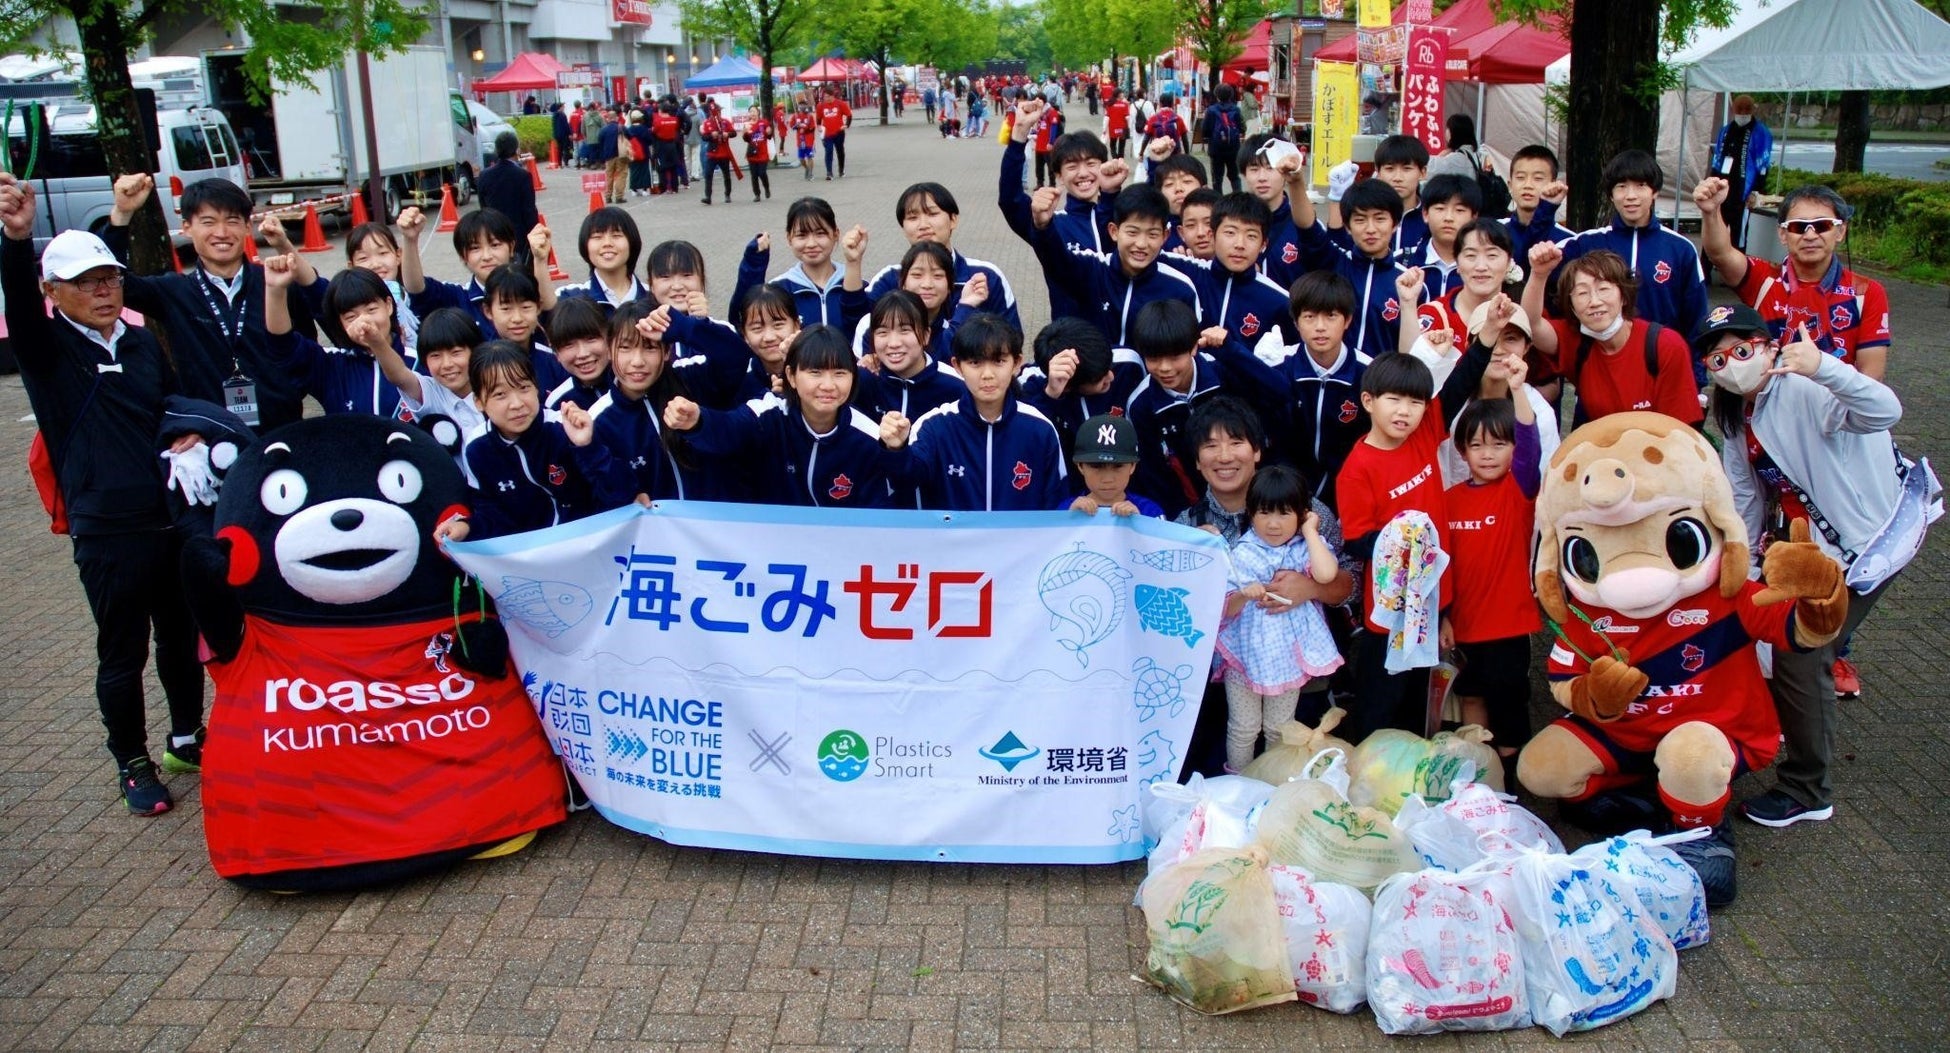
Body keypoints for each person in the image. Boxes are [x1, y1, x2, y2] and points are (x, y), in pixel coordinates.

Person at [1, 177, 207, 815]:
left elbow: (169, 405)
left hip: (166, 518)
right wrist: (12, 238)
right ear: (52, 291)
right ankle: (132, 761)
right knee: (123, 650)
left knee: (179, 636)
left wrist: (190, 435)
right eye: (85, 282)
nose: (102, 291)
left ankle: (185, 737)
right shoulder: (47, 351)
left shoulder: (143, 343)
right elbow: (15, 290)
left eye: (110, 279)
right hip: (107, 529)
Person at [1696, 304, 1913, 829]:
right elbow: (1744, 497)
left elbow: (1885, 411)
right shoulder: (1734, 415)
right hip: (1808, 549)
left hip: (1871, 540)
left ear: (1769, 347)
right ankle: (1781, 730)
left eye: (1742, 350)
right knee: (1772, 639)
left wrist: (1824, 367)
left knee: (1802, 650)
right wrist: (1742, 574)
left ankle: (1807, 788)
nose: (1731, 364)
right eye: (1718, 358)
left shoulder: (1804, 387)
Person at [1334, 301, 1501, 742]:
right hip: (1387, 613)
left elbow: (1463, 382)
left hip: (1430, 602)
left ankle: (1407, 779)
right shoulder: (1357, 468)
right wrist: (1400, 542)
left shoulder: (1425, 431)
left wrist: (1487, 337)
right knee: (1379, 705)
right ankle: (1367, 769)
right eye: (1394, 399)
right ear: (1369, 401)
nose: (1405, 411)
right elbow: (1355, 540)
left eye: (1416, 401)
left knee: (1416, 706)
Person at [102, 175, 317, 432]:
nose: (222, 232)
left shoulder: (277, 283)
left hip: (282, 427)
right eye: (208, 222)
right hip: (208, 431)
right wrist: (122, 214)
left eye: (232, 221)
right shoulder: (173, 291)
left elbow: (306, 346)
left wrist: (286, 394)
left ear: (248, 227)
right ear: (186, 227)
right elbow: (114, 281)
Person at [662, 326, 907, 509]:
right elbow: (729, 429)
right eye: (815, 373)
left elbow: (879, 512)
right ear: (791, 376)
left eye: (840, 373)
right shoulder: (770, 413)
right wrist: (697, 421)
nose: (828, 385)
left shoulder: (868, 436)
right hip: (773, 557)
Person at [1441, 359, 1543, 770]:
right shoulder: (1448, 499)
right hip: (1462, 626)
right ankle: (1480, 774)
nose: (1487, 454)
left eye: (1499, 444)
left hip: (1509, 627)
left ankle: (1512, 783)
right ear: (1462, 450)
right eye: (1477, 445)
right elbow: (1441, 566)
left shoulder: (1518, 491)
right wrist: (1444, 616)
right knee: (1470, 698)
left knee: (1509, 704)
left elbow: (1531, 447)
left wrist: (1518, 389)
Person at [1694, 179, 1889, 383]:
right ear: (1783, 234)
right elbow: (1721, 254)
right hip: (1770, 408)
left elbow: (1872, 376)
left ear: (1840, 231)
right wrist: (1711, 211)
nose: (1810, 235)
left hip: (1835, 410)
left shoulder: (1866, 292)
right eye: (1798, 227)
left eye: (1822, 225)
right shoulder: (1764, 279)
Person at [440, 342, 639, 542]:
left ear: (536, 387)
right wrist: (466, 527)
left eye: (524, 388)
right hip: (532, 560)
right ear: (479, 401)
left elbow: (620, 496)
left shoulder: (565, 427)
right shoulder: (477, 448)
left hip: (589, 546)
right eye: (500, 394)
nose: (517, 404)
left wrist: (587, 446)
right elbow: (492, 516)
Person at [1217, 464, 1345, 771]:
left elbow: (1327, 575)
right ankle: (1239, 784)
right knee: (1243, 728)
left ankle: (1270, 785)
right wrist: (1243, 595)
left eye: (1285, 513)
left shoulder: (1304, 549)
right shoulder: (1242, 553)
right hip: (1244, 655)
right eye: (1264, 513)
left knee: (1280, 727)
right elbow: (1222, 610)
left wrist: (1310, 532)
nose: (1273, 524)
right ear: (1250, 513)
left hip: (1286, 655)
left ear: (1301, 514)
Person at [890, 314, 1068, 511]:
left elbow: (1056, 499)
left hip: (1020, 542)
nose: (988, 374)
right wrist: (897, 450)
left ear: (1016, 364)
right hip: (951, 542)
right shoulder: (934, 426)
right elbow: (906, 482)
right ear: (957, 366)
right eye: (975, 363)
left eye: (999, 361)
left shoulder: (1040, 429)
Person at [1526, 246, 1702, 427]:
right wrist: (1539, 275)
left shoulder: (1665, 346)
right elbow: (1531, 324)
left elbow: (1680, 431)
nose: (1594, 302)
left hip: (1658, 449)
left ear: (1624, 295)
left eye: (1603, 288)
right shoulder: (1577, 342)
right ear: (1571, 306)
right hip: (1603, 448)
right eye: (1582, 293)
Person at [1555, 150, 1708, 344]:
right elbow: (1536, 271)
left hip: (1661, 359)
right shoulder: (1586, 243)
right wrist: (1546, 209)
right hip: (1601, 358)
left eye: (1641, 186)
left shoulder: (1680, 248)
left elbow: (1697, 319)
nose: (1630, 196)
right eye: (1621, 186)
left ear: (1655, 191)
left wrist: (1695, 372)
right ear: (1611, 195)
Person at [1028, 183, 1203, 348]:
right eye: (1132, 232)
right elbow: (1057, 261)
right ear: (1114, 231)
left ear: (1165, 236)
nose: (1141, 243)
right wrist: (1043, 226)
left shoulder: (1181, 288)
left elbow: (1190, 350)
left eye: (1152, 234)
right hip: (1094, 377)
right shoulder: (1092, 269)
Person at [1257, 272, 1371, 507]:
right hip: (1286, 489)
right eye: (1309, 317)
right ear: (1296, 322)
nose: (1320, 327)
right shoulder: (1278, 366)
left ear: (1347, 320)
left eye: (1331, 316)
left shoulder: (1369, 373)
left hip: (1348, 489)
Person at [263, 259, 416, 419]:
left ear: (388, 305)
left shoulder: (421, 360)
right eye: (351, 316)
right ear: (339, 323)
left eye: (371, 310)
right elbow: (283, 345)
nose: (364, 321)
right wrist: (275, 291)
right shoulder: (331, 365)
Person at [867, 182, 1019, 329]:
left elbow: (1012, 337)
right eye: (913, 218)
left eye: (932, 214)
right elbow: (858, 324)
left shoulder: (987, 276)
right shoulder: (888, 279)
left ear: (953, 220)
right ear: (903, 227)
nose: (923, 225)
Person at [376, 306, 485, 453]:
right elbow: (398, 375)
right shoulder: (430, 391)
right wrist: (376, 342)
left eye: (456, 352)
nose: (447, 364)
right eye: (435, 356)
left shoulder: (496, 389)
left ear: (476, 350)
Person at [399, 205, 517, 338]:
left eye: (495, 245)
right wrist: (410, 240)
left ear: (511, 247)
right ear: (462, 256)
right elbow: (417, 288)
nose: (487, 256)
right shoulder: (457, 298)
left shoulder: (528, 292)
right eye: (475, 248)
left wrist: (539, 260)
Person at [731, 197, 850, 329]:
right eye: (801, 235)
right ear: (789, 238)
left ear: (836, 234)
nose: (811, 244)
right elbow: (742, 322)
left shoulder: (854, 285)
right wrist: (753, 265)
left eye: (820, 233)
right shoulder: (778, 289)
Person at [854, 289, 967, 423]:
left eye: (905, 330)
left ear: (926, 335)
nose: (894, 343)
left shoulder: (956, 387)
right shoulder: (860, 383)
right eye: (883, 332)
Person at [1064, 412, 1163, 518]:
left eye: (1118, 466)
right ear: (1080, 466)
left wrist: (1139, 523)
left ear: (1133, 466)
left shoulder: (1149, 511)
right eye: (1096, 466)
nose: (1107, 479)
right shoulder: (1067, 509)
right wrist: (1068, 520)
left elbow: (1162, 534)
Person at [1711, 96, 1773, 253]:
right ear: (1734, 110)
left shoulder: (1760, 133)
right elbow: (1717, 158)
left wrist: (1757, 189)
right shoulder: (1726, 130)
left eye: (1747, 110)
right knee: (1716, 230)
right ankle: (1709, 266)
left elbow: (1763, 164)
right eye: (1740, 110)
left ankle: (1736, 269)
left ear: (1752, 110)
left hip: (1743, 190)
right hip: (1722, 188)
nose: (1743, 113)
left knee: (1739, 235)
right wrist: (1712, 180)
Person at [1503, 144, 1575, 267]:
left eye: (1537, 178)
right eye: (1520, 177)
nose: (1528, 185)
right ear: (1510, 185)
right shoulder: (1493, 233)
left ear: (1554, 184)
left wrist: (1547, 206)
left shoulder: (1568, 241)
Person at [477, 131, 538, 245]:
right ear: (516, 149)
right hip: (518, 236)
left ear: (497, 150)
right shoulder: (523, 175)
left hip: (494, 233)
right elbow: (529, 210)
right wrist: (534, 235)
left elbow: (483, 206)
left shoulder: (484, 175)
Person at [1201, 84, 1245, 194]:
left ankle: (1218, 200)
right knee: (1234, 176)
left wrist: (1208, 137)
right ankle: (1238, 198)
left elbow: (1205, 129)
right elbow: (1242, 128)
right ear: (1231, 95)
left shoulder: (1211, 110)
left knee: (1217, 178)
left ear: (1216, 95)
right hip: (1233, 148)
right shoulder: (1236, 109)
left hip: (1216, 149)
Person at [697, 101, 737, 206]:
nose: (718, 114)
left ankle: (727, 194)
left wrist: (727, 134)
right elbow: (704, 137)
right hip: (712, 154)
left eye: (719, 112)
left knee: (726, 175)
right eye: (716, 112)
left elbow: (734, 133)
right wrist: (711, 135)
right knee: (708, 175)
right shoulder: (707, 123)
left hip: (724, 153)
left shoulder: (725, 122)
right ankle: (708, 197)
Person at [818, 87, 853, 180]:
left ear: (832, 96)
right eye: (824, 97)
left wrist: (847, 125)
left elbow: (849, 115)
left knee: (840, 151)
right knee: (828, 151)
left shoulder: (840, 104)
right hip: (827, 133)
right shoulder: (821, 106)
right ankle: (829, 172)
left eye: (828, 97)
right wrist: (818, 126)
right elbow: (818, 118)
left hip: (839, 132)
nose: (826, 99)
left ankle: (841, 170)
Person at [744, 109, 773, 202]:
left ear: (758, 113)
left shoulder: (764, 122)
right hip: (752, 154)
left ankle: (767, 188)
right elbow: (746, 139)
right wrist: (745, 132)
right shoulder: (747, 124)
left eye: (754, 111)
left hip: (763, 153)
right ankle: (757, 194)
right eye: (750, 111)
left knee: (762, 173)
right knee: (754, 175)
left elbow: (769, 135)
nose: (752, 113)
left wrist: (769, 132)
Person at [790, 99, 818, 181]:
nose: (802, 107)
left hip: (809, 140)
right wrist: (797, 126)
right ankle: (807, 168)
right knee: (801, 159)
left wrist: (805, 129)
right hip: (800, 141)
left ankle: (810, 173)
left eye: (804, 105)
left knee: (810, 157)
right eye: (800, 105)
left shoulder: (810, 116)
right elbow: (792, 127)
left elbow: (813, 128)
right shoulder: (795, 116)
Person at [1105, 89, 1131, 160]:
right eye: (1122, 94)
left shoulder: (1110, 104)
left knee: (1112, 145)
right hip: (1123, 128)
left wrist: (1104, 130)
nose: (1123, 95)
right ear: (1119, 95)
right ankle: (1120, 160)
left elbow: (1106, 118)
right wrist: (1130, 127)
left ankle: (1115, 159)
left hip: (1113, 128)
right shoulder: (1124, 105)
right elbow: (1127, 118)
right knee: (1122, 146)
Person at [551, 103, 572, 170]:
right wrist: (569, 133)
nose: (564, 108)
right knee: (566, 148)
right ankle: (566, 162)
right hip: (564, 134)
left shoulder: (554, 115)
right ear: (560, 107)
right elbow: (566, 125)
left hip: (557, 135)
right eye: (563, 107)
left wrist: (554, 134)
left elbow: (553, 126)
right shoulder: (563, 115)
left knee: (559, 149)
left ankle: (559, 163)